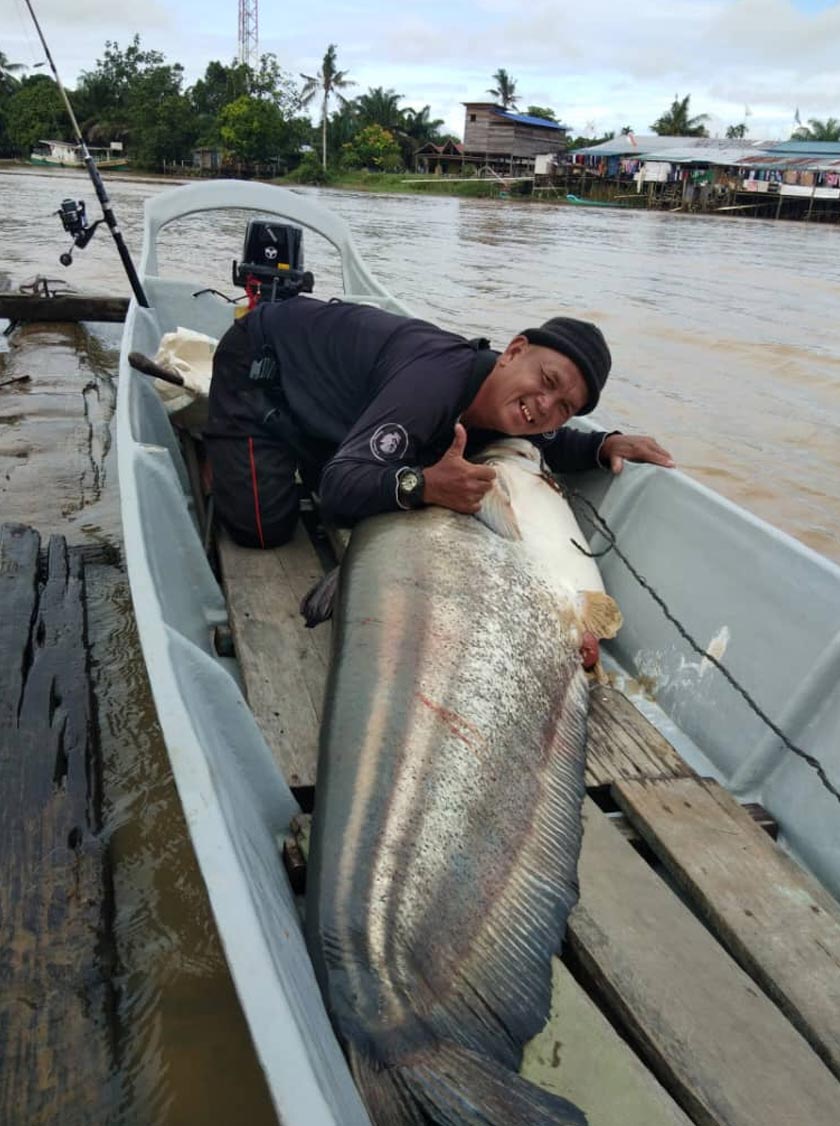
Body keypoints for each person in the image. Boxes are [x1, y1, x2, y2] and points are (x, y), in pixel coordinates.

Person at [203, 296, 674, 549]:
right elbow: (340, 488)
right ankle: (229, 446)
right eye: (547, 381)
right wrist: (422, 485)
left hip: (340, 386)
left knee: (384, 457)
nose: (546, 406)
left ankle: (320, 438)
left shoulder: (521, 407)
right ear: (513, 351)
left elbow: (557, 441)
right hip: (264, 361)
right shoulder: (434, 383)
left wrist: (604, 445)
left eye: (564, 405)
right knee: (261, 531)